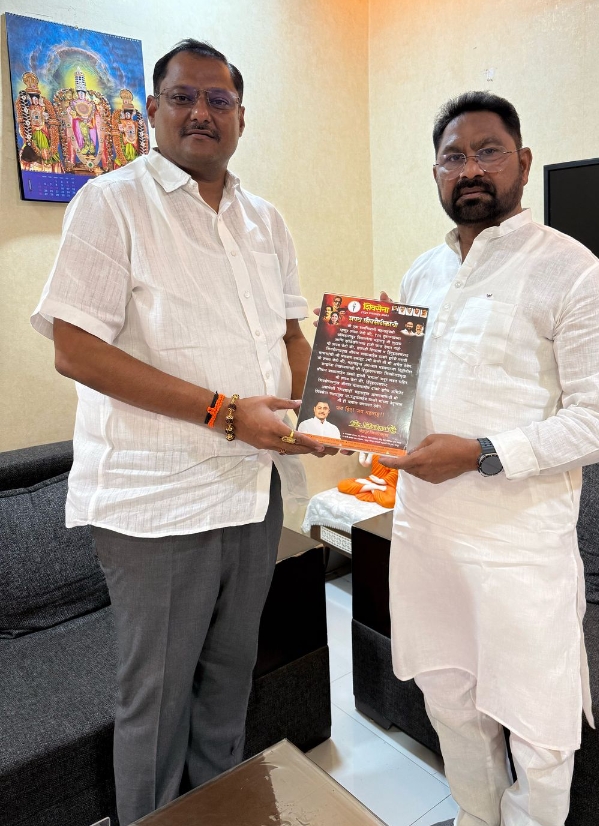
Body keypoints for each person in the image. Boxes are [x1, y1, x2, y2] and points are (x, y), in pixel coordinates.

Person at [31, 39, 329, 826]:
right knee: (156, 704)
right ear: (152, 111)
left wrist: (325, 409)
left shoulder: (265, 221)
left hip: (252, 494)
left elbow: (290, 336)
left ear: (241, 117)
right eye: (184, 97)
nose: (202, 112)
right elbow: (75, 349)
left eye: (219, 100)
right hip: (156, 505)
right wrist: (226, 413)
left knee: (229, 684)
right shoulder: (110, 203)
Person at [381, 91, 599, 826]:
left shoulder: (575, 272)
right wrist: (363, 385)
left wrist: (481, 454)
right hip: (426, 534)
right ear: (435, 173)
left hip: (519, 549)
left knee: (539, 730)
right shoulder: (422, 274)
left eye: (487, 152)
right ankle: (474, 816)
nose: (470, 169)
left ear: (522, 162)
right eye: (453, 157)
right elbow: (414, 397)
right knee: (450, 702)